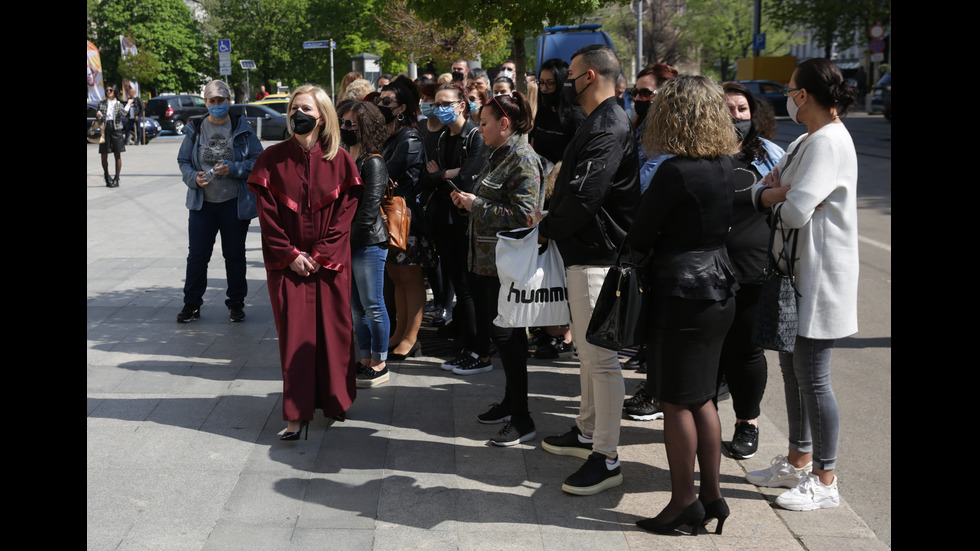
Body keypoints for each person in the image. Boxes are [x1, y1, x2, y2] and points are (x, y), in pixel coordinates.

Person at [745, 58, 859, 512]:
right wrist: (773, 194)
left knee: (812, 377)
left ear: (803, 96)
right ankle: (798, 460)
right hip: (799, 272)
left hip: (820, 274)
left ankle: (825, 478)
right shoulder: (807, 141)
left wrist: (776, 196)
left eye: (791, 89)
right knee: (795, 373)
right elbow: (765, 190)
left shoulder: (827, 143)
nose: (788, 96)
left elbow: (791, 210)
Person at [629, 75, 740, 535]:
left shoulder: (675, 170)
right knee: (702, 398)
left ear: (672, 116)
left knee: (676, 400)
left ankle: (683, 502)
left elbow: (640, 235)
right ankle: (711, 495)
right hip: (718, 288)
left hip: (682, 292)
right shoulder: (723, 164)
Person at [537, 44, 639, 496]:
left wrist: (546, 229)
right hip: (584, 253)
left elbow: (584, 195)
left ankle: (607, 455)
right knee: (588, 354)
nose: (564, 83)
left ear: (592, 75)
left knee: (601, 360)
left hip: (599, 256)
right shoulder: (598, 120)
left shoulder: (611, 123)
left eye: (572, 75)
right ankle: (586, 432)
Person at [247, 84, 363, 440]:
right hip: (288, 266)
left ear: (323, 116)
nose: (300, 115)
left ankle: (333, 401)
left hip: (329, 265)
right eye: (296, 108)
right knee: (294, 338)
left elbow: (345, 216)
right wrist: (290, 255)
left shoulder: (340, 159)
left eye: (308, 109)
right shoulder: (272, 159)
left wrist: (318, 255)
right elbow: (267, 217)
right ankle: (295, 416)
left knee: (334, 333)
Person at [450, 91, 544, 445]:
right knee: (505, 340)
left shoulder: (522, 158)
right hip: (489, 265)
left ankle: (522, 418)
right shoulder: (500, 153)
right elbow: (493, 201)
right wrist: (469, 202)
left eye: (485, 122)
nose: (480, 127)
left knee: (510, 340)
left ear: (505, 124)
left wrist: (477, 207)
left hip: (507, 268)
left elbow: (526, 215)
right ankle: (510, 403)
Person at [714, 81, 786, 460]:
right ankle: (702, 422)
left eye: (742, 109)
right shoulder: (697, 152)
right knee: (710, 350)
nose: (736, 116)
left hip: (752, 267)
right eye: (728, 109)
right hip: (706, 269)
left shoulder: (769, 154)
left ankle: (748, 422)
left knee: (745, 350)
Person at [176, 79, 263, 324]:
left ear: (228, 101)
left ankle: (236, 303)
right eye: (212, 101)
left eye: (221, 101)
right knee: (197, 256)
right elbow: (183, 161)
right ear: (205, 102)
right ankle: (191, 304)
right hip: (202, 204)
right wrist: (194, 178)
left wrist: (234, 168)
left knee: (234, 255)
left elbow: (259, 161)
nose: (216, 105)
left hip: (233, 204)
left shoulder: (241, 127)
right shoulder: (195, 127)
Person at [420, 84, 487, 375]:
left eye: (446, 102)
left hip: (465, 222)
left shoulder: (474, 136)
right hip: (444, 220)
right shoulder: (442, 137)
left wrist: (442, 174)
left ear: (461, 105)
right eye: (437, 103)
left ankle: (478, 350)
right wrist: (447, 174)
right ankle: (466, 340)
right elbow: (427, 176)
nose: (440, 108)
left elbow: (471, 177)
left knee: (469, 287)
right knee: (458, 284)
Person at [528, 58, 586, 361]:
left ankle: (566, 334)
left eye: (552, 83)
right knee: (545, 270)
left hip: (563, 195)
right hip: (541, 195)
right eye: (543, 82)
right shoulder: (542, 114)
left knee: (563, 270)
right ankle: (549, 329)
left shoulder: (575, 115)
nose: (547, 88)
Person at [378, 76, 434, 360]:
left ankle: (412, 337)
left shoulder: (410, 137)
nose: (380, 104)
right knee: (397, 278)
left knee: (411, 279)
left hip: (407, 220)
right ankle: (399, 332)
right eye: (380, 99)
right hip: (391, 219)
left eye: (387, 101)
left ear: (401, 108)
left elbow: (388, 172)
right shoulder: (391, 136)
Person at [338, 100, 393, 389]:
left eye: (351, 125)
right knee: (356, 307)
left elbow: (369, 209)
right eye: (343, 123)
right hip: (349, 242)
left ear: (366, 128)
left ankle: (380, 360)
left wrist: (345, 242)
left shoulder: (373, 161)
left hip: (369, 241)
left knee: (372, 304)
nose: (345, 128)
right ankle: (365, 357)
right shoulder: (346, 155)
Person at [95, 84, 133, 188]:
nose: (108, 92)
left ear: (115, 91)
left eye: (111, 90)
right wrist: (98, 116)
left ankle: (117, 178)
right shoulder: (102, 103)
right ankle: (107, 176)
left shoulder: (118, 103)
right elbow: (98, 117)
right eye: (107, 90)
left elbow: (124, 114)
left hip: (116, 129)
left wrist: (128, 104)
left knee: (117, 154)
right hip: (105, 128)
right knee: (104, 154)